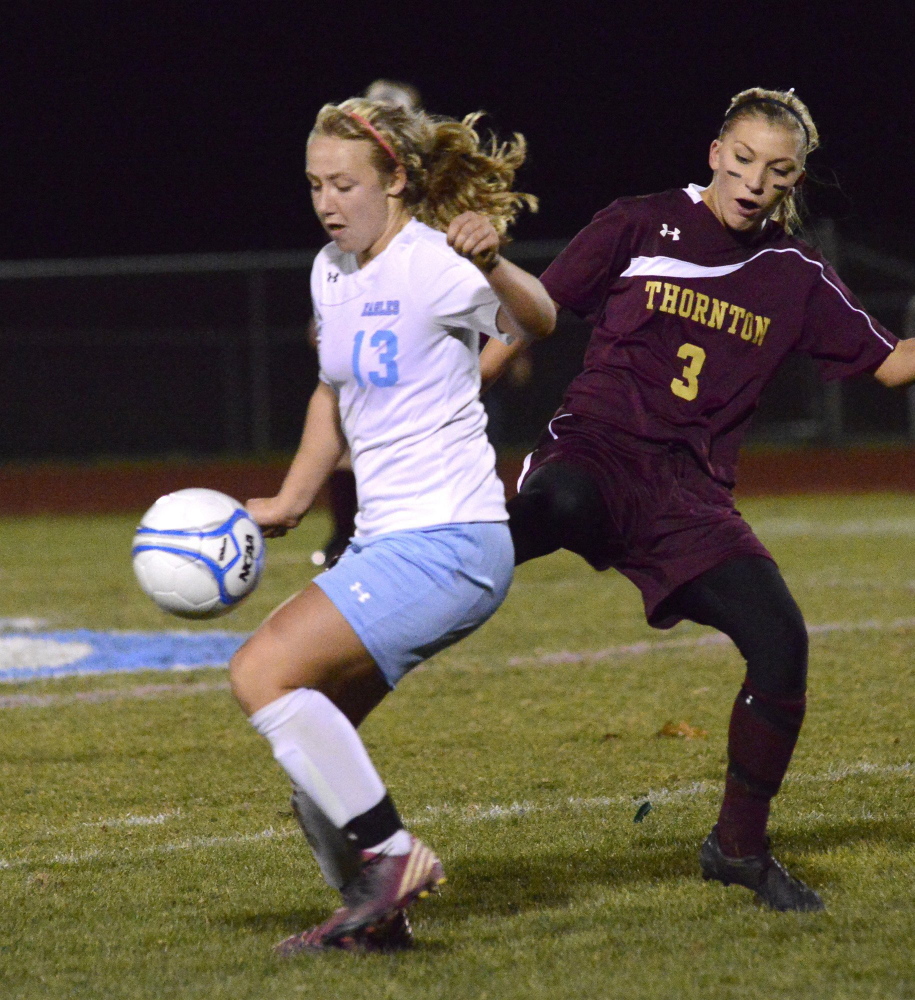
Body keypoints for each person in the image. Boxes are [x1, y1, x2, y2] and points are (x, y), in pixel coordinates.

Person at [483, 86, 915, 912]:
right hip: (597, 452)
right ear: (716, 151)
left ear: (792, 182)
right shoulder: (638, 222)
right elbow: (527, 317)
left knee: (780, 640)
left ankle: (737, 849)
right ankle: (375, 617)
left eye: (776, 171)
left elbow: (890, 364)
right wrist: (459, 388)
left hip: (688, 497)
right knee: (542, 516)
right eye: (743, 159)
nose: (754, 180)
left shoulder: (795, 276)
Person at [229, 97, 555, 954]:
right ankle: (375, 920)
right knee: (316, 754)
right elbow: (333, 394)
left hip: (451, 538)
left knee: (260, 671)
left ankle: (394, 855)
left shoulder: (435, 264)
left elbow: (538, 319)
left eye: (344, 184)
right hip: (389, 541)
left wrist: (496, 265)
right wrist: (291, 501)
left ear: (397, 179)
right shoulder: (329, 270)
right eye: (313, 186)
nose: (327, 202)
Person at [310, 79, 424, 570]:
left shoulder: (429, 230)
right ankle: (344, 538)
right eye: (317, 187)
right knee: (345, 433)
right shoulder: (337, 253)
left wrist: (493, 361)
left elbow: (524, 315)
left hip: (425, 353)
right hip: (375, 345)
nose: (325, 201)